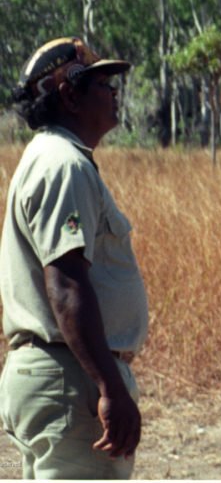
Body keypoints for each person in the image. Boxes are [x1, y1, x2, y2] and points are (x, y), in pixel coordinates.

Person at [0, 37, 148, 479]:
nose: (114, 91)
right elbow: (65, 285)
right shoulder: (63, 164)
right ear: (69, 95)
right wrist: (109, 386)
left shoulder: (53, 158)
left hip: (62, 376)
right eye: (103, 82)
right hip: (70, 380)